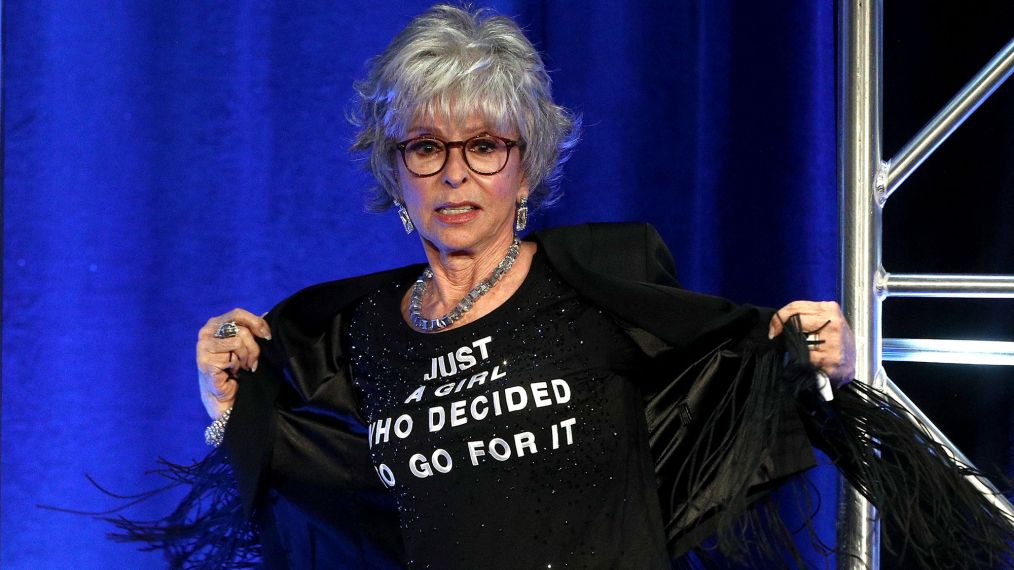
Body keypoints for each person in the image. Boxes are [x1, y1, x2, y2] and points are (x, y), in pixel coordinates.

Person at [153, 5, 1008, 569]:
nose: (456, 176)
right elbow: (329, 503)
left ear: (526, 166)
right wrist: (231, 406)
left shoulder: (605, 283)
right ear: (395, 171)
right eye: (425, 148)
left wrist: (822, 367)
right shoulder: (351, 333)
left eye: (484, 146)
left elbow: (730, 406)